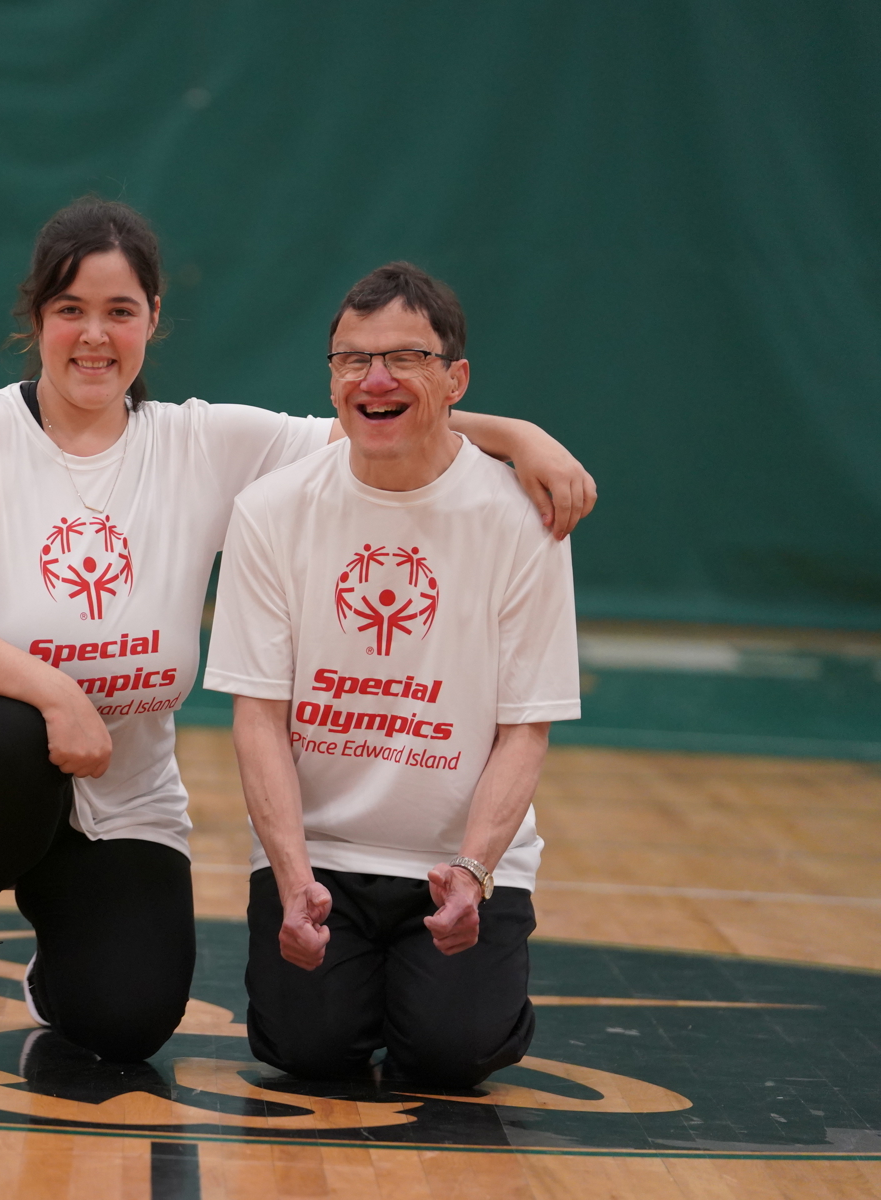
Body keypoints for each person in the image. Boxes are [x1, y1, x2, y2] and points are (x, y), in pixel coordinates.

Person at [0, 199, 594, 1061]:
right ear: (38, 319)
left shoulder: (202, 445)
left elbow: (376, 420)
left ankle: (60, 966)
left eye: (120, 312)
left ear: (153, 319)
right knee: (10, 729)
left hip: (118, 795)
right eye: (71, 311)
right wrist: (56, 692)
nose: (96, 337)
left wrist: (521, 436)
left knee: (125, 1021)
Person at [204, 261, 581, 1084]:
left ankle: (448, 988)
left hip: (460, 860)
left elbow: (526, 727)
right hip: (323, 857)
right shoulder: (270, 512)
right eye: (351, 359)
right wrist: (294, 876)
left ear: (455, 380)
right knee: (303, 1051)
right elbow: (259, 717)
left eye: (404, 358)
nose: (374, 379)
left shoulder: (524, 521)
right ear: (333, 378)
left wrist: (474, 873)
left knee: (453, 1054)